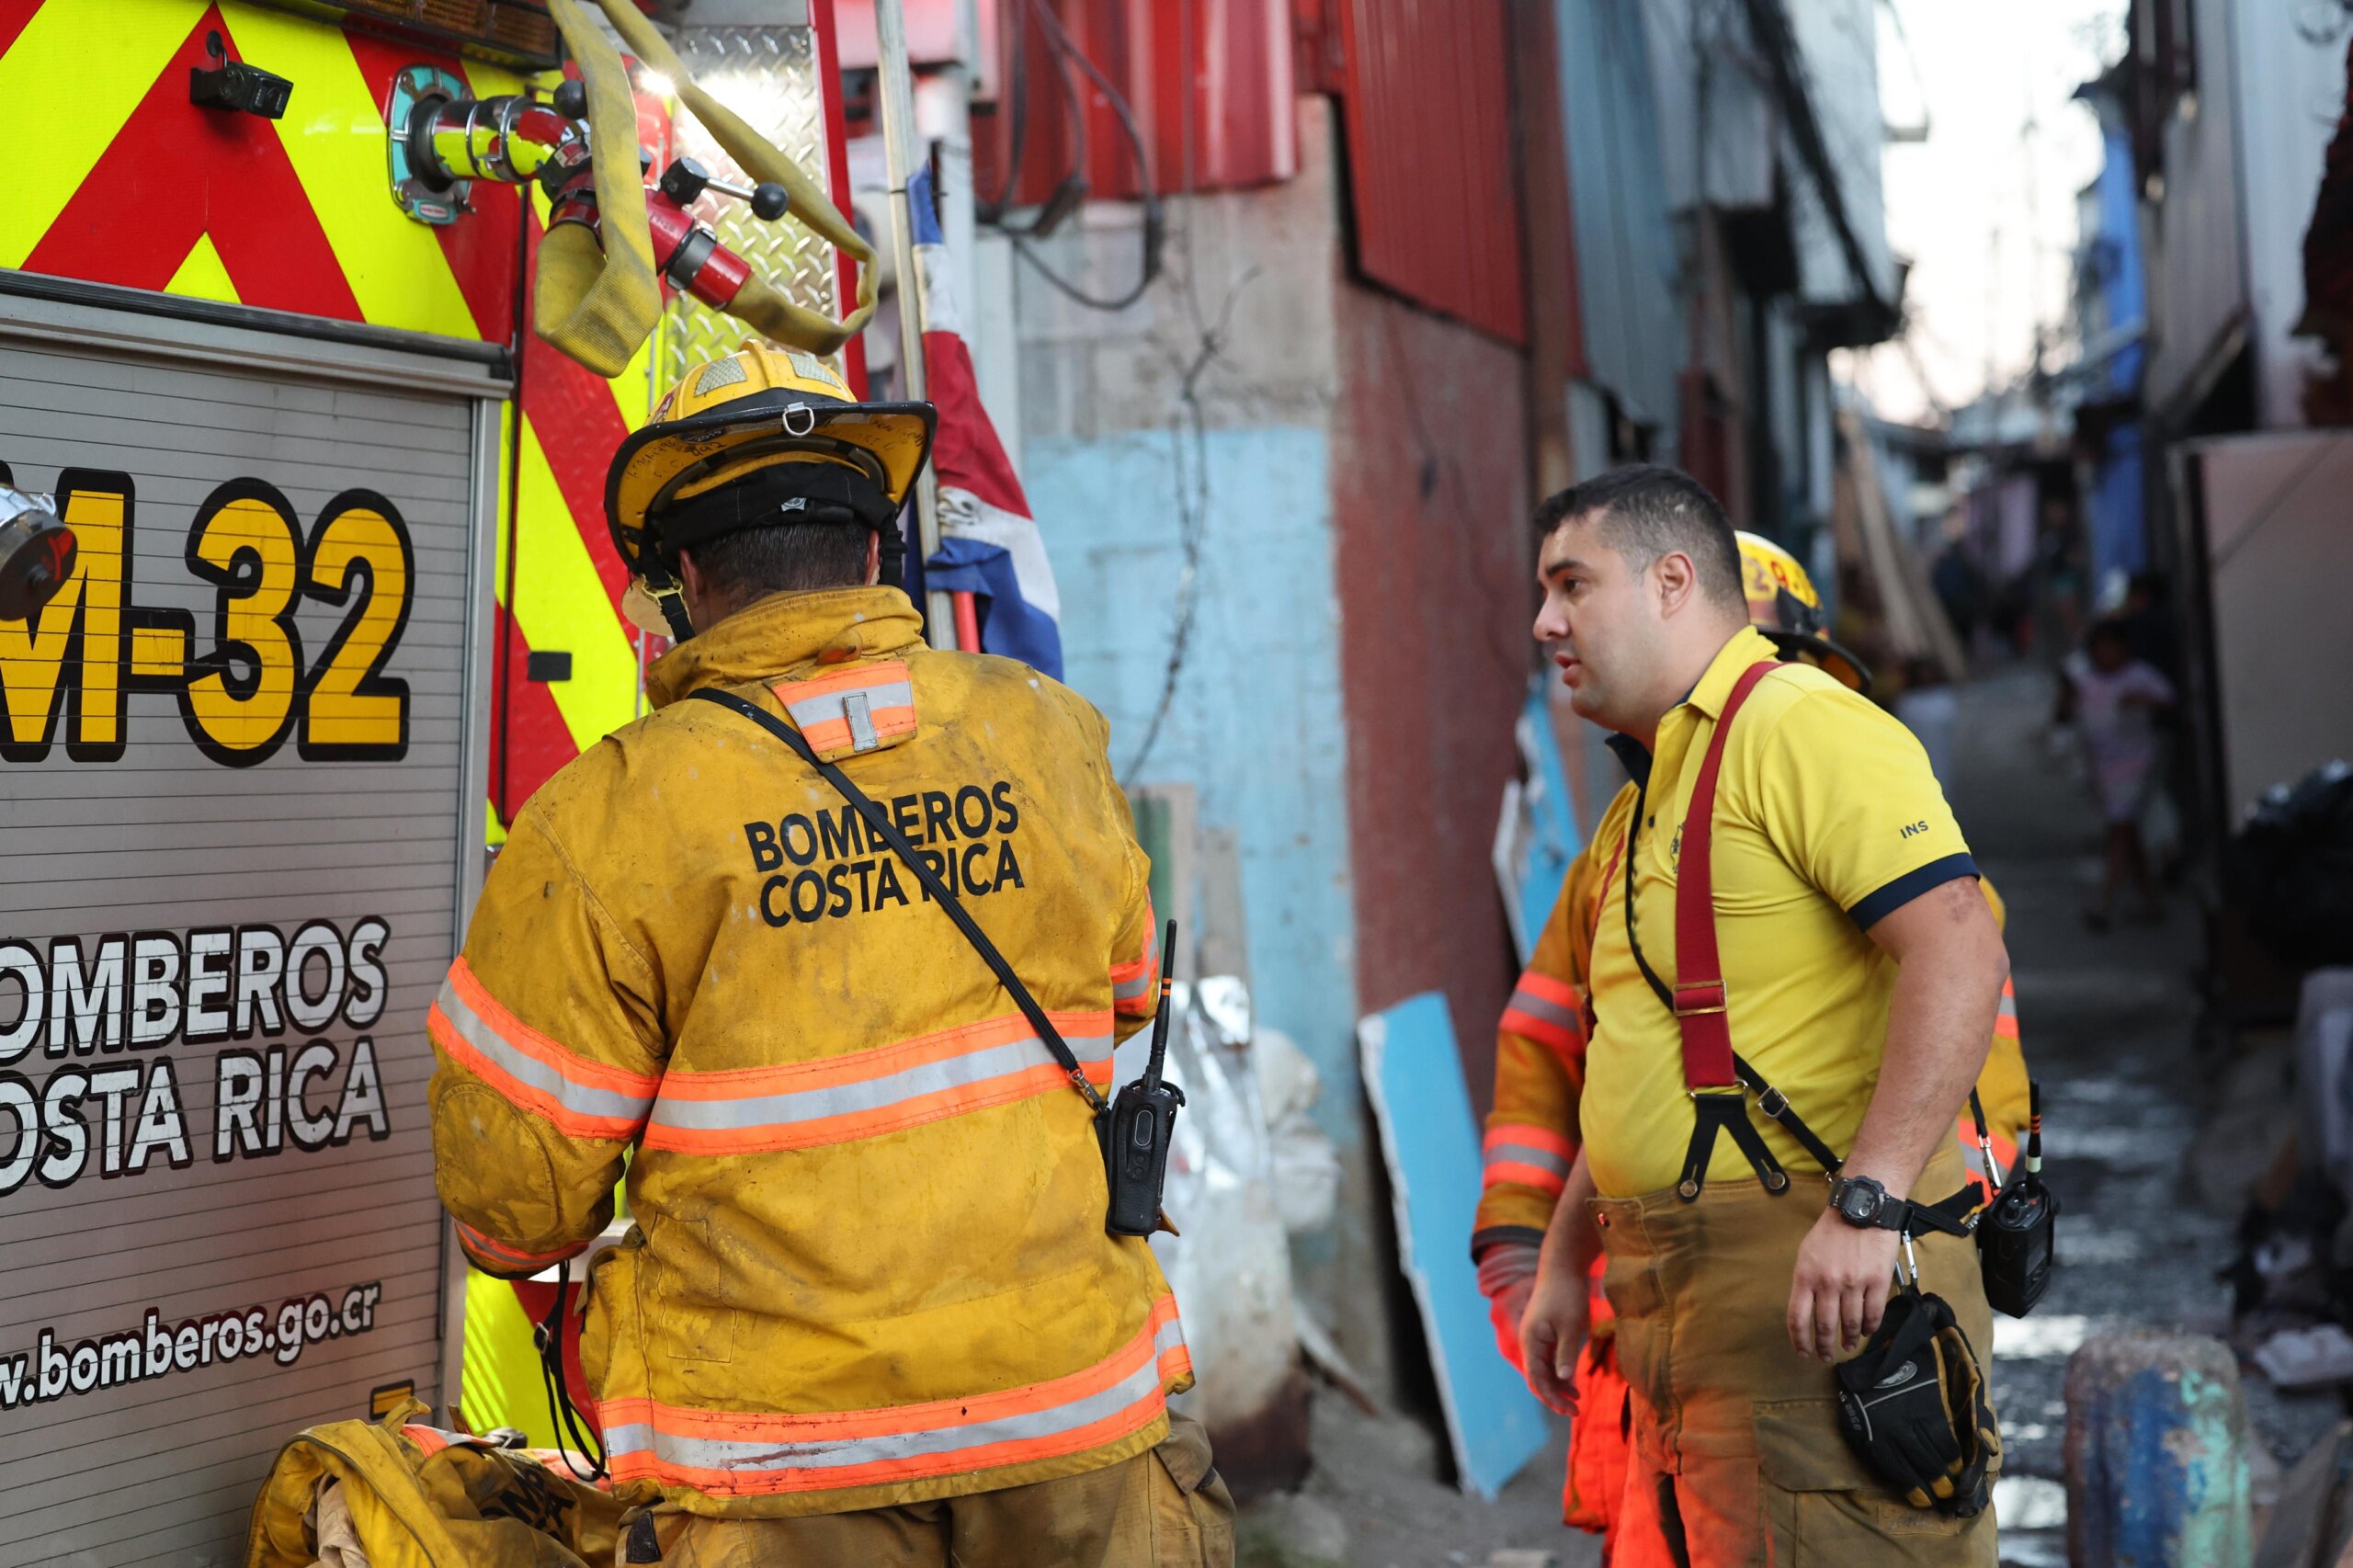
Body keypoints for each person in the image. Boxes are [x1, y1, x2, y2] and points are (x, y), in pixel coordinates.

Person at [426, 345, 1232, 1568]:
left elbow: (513, 1208)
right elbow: (1123, 1003)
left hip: (785, 1477)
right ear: (872, 554)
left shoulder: (607, 817)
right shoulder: (1045, 732)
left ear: (684, 578)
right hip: (1080, 1433)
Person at [1477, 523, 2030, 1562]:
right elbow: (1647, 1065)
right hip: (1679, 1325)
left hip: (1825, 1280)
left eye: (1572, 585)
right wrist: (1553, 1254)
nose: (1547, 621)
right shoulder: (1637, 823)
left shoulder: (1813, 744)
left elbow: (1964, 980)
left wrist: (1873, 1205)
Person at [2058, 617, 2176, 930]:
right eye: (2099, 648)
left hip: (2137, 765)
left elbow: (2171, 703)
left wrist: (2144, 701)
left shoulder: (2141, 677)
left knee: (2120, 831)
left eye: (2111, 647)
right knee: (2128, 832)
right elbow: (2062, 715)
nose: (2105, 654)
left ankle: (2104, 902)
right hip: (2104, 769)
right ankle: (2150, 902)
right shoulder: (2086, 680)